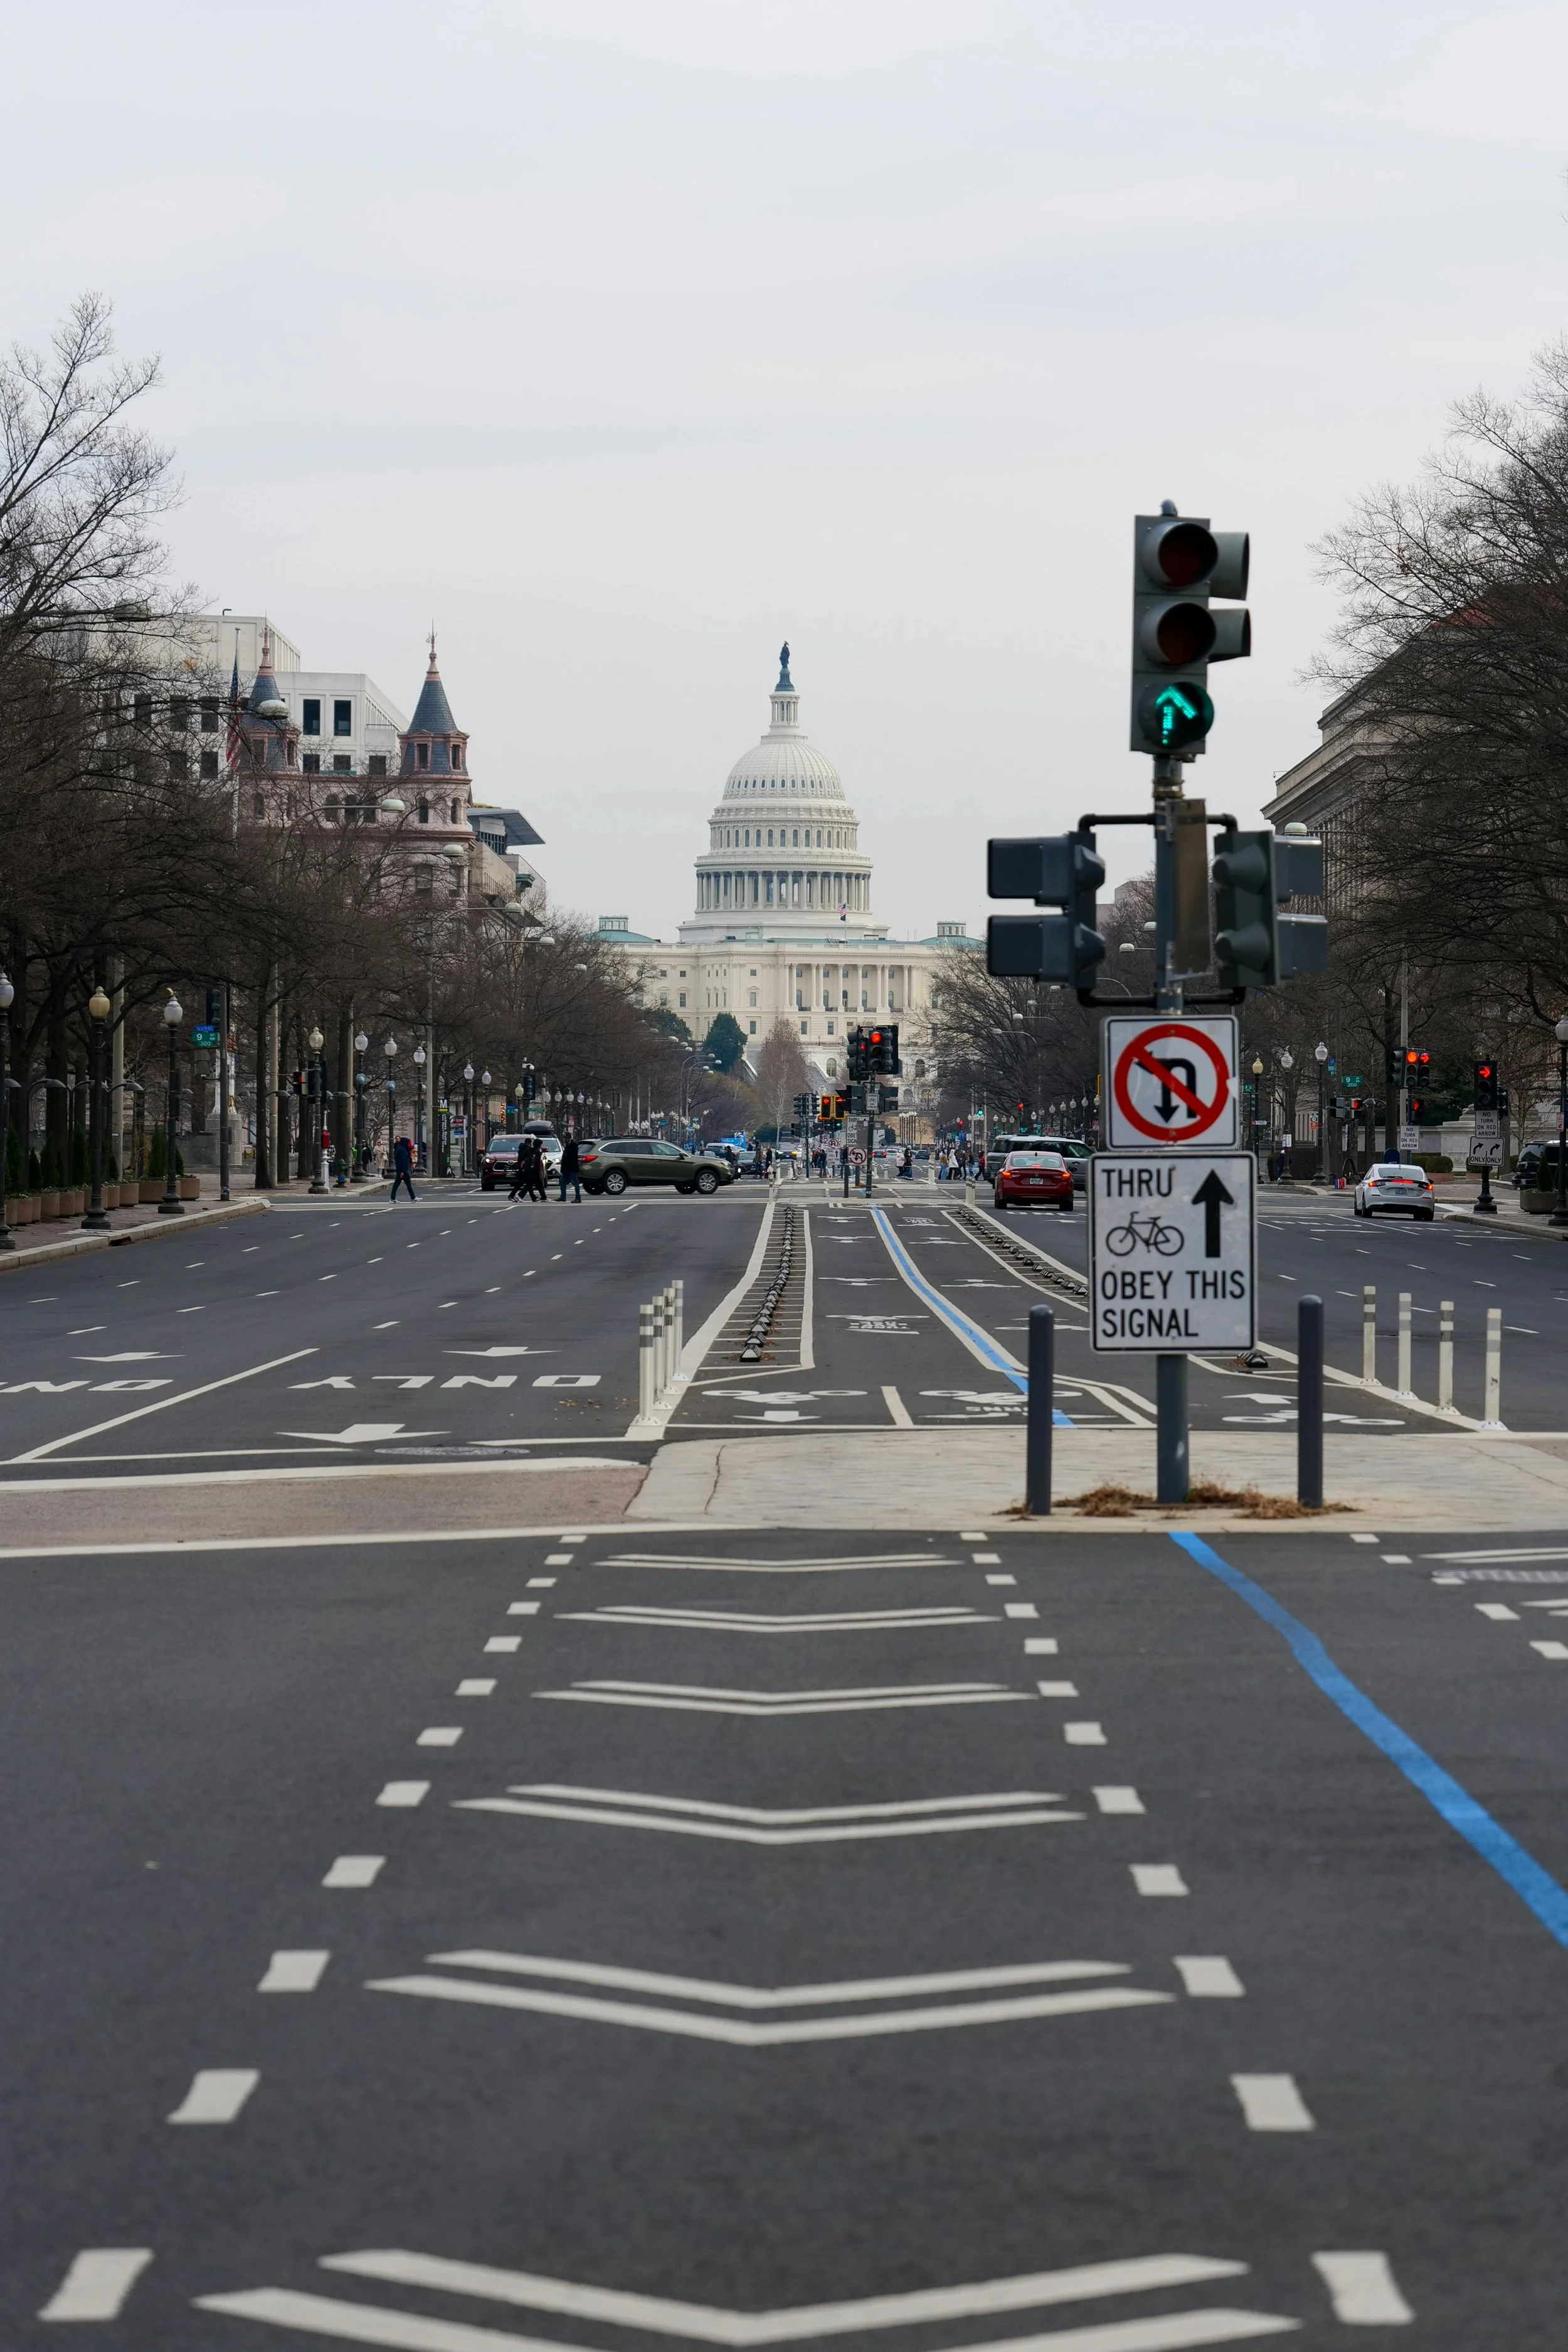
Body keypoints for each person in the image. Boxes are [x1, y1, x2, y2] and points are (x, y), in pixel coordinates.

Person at [389, 1135, 416, 1203]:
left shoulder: (398, 1149)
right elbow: (403, 1161)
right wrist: (403, 1171)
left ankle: (393, 1198)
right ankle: (413, 1198)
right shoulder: (403, 1150)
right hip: (403, 1171)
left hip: (400, 1170)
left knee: (396, 1184)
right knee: (408, 1184)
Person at [558, 1130, 582, 1203]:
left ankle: (578, 1198)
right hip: (566, 1169)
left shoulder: (573, 1145)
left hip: (572, 1168)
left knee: (575, 1183)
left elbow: (572, 1157)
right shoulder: (567, 1145)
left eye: (564, 1138)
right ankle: (563, 1197)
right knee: (562, 1181)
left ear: (567, 1138)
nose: (563, 1139)